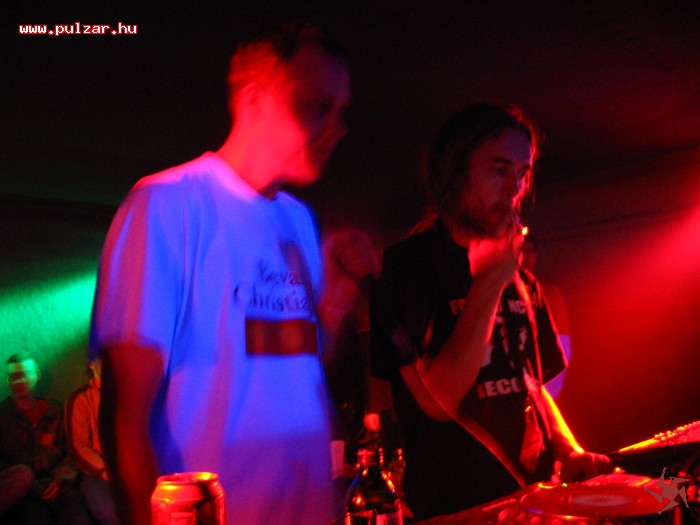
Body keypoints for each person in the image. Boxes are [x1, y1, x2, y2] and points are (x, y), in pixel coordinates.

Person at [90, 21, 379, 525]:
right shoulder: (167, 203)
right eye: (317, 106)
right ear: (255, 99)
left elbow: (295, 371)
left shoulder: (298, 220)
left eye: (341, 110)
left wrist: (333, 303)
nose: (339, 127)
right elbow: (124, 418)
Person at [370, 103, 611, 521]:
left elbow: (532, 384)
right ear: (454, 172)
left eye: (522, 173)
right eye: (499, 169)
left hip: (535, 500)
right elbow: (438, 400)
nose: (514, 187)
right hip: (456, 511)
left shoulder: (522, 279)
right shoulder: (406, 268)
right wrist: (488, 284)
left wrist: (568, 448)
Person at [0, 352, 92, 524]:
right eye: (13, 376)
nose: (18, 381)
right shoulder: (4, 417)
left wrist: (60, 480)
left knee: (78, 518)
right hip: (22, 493)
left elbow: (72, 453)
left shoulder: (55, 413)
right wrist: (28, 485)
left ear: (37, 375)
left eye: (23, 374)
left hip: (57, 486)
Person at [65, 357, 118, 525]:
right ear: (91, 363)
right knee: (110, 510)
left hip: (128, 470)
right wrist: (105, 470)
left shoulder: (127, 392)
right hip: (96, 475)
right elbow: (79, 446)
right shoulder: (81, 398)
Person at [520, 234, 572, 398]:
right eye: (520, 250)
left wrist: (548, 392)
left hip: (541, 389)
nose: (524, 256)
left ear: (535, 255)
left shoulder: (550, 294)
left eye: (529, 251)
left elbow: (562, 347)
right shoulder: (498, 293)